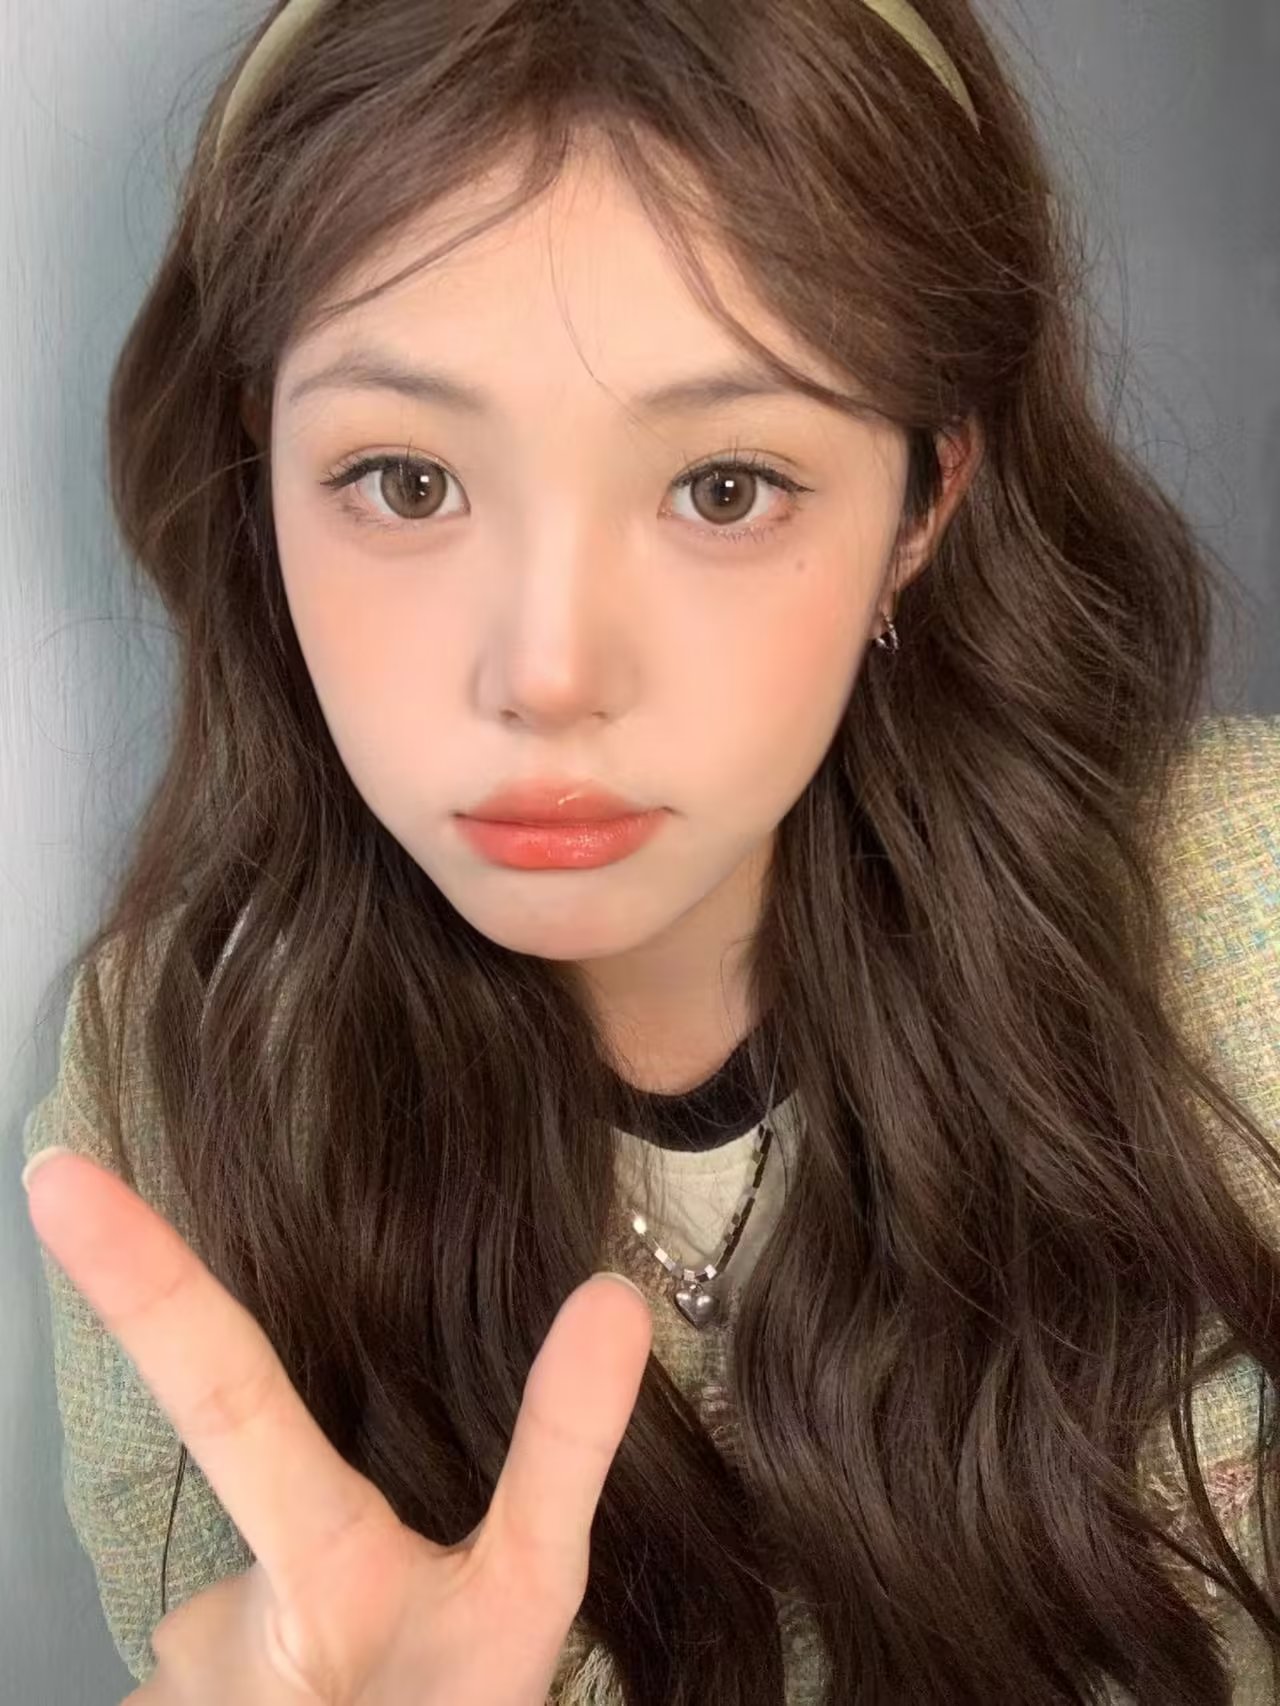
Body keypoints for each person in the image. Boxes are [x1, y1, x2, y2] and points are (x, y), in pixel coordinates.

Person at [18, 0, 1280, 1700]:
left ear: (924, 502)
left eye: (725, 487)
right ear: (259, 478)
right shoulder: (174, 1074)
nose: (548, 673)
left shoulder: (1248, 921)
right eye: (404, 481)